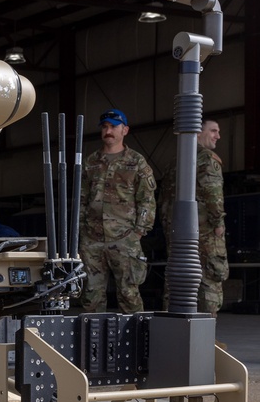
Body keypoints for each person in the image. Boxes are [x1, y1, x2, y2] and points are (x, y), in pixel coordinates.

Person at [78, 109, 156, 313]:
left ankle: (135, 341)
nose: (108, 131)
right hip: (92, 238)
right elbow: (81, 199)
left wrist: (139, 231)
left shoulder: (136, 162)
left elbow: (147, 199)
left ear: (125, 130)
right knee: (91, 295)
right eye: (105, 127)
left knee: (129, 294)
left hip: (124, 237)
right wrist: (80, 232)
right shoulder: (91, 162)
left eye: (113, 126)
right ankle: (93, 342)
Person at [160, 119, 229, 316]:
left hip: (177, 233)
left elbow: (163, 201)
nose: (218, 136)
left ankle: (173, 329)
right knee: (210, 280)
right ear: (198, 133)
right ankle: (207, 336)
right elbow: (214, 195)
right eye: (213, 131)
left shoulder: (174, 162)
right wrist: (218, 224)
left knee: (177, 280)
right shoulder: (207, 158)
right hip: (205, 231)